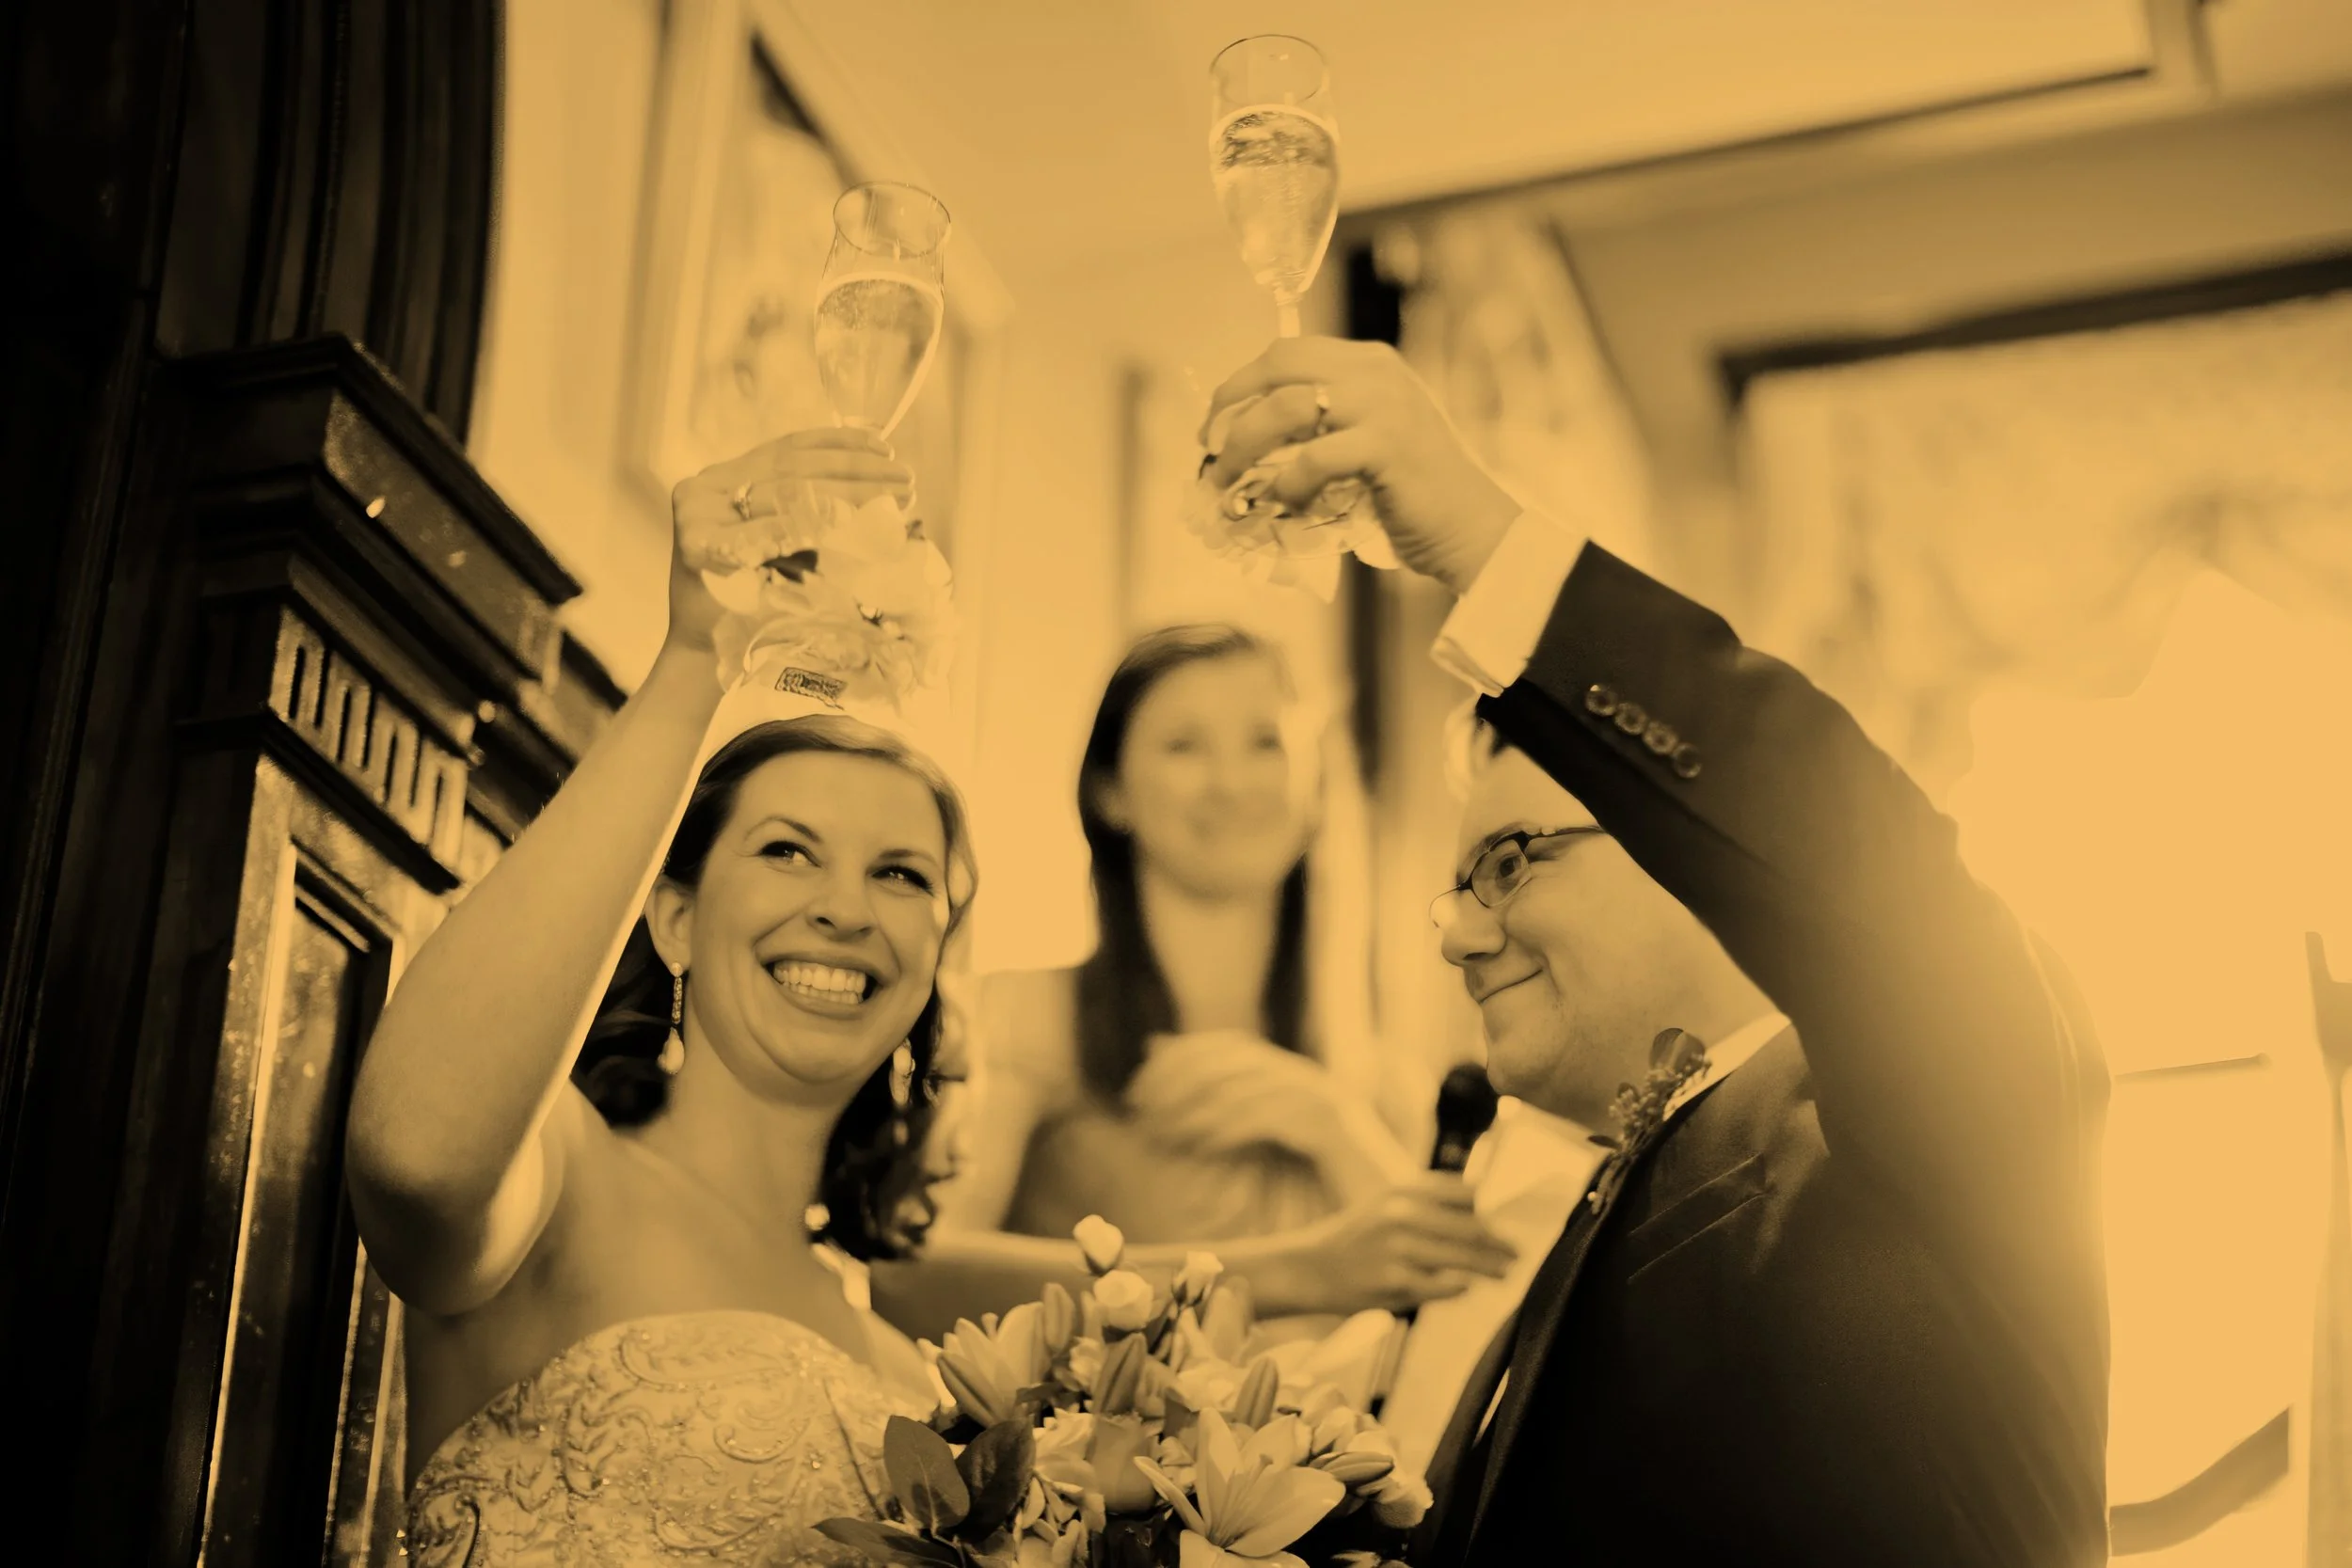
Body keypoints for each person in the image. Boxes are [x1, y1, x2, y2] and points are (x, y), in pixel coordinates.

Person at [1199, 338, 2111, 1567]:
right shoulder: (1562, 1214)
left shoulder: (1916, 1090)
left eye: (1513, 858)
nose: (1461, 931)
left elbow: (1876, 871)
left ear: (1690, 852)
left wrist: (1481, 542)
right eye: (1456, 884)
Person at [345, 429, 975, 1563]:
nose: (846, 906)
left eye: (900, 872)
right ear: (674, 918)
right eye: (788, 851)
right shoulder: (562, 1176)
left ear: (933, 960)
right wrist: (698, 665)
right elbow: (416, 1158)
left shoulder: (913, 1379)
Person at [873, 626, 1516, 1339]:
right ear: (1110, 792)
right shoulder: (1025, 1017)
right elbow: (907, 1276)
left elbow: (1469, 1333)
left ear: (1314, 788)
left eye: (1265, 742)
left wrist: (1335, 1129)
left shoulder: (1379, 1090)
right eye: (1185, 745)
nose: (1232, 782)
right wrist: (1297, 1269)